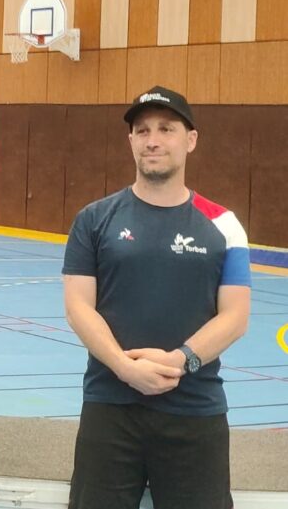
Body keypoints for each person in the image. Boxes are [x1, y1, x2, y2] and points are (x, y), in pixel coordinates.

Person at [63, 86, 251, 509]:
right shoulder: (93, 220)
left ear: (190, 140)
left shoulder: (225, 225)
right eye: (142, 130)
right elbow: (78, 307)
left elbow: (235, 317)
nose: (152, 140)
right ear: (130, 141)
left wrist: (178, 361)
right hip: (110, 407)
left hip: (195, 410)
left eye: (166, 129)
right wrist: (124, 369)